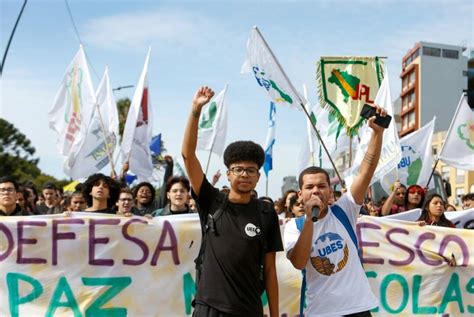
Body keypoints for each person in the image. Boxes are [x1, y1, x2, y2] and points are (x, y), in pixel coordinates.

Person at [182, 86, 283, 317]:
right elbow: (188, 155)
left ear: (259, 175)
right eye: (238, 169)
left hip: (249, 310)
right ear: (228, 174)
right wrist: (196, 110)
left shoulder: (266, 212)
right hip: (209, 309)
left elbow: (270, 270)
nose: (244, 174)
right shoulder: (211, 200)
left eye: (251, 170)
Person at [284, 104, 388, 316]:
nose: (316, 191)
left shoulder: (344, 210)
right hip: (320, 311)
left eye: (321, 186)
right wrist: (310, 221)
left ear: (330, 191)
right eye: (309, 187)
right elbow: (299, 262)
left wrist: (377, 133)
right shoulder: (293, 227)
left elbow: (367, 170)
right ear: (300, 193)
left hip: (358, 308)